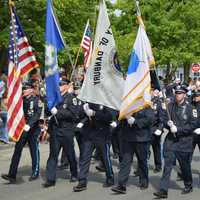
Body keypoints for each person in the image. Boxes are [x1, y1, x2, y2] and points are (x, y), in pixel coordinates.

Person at [153, 84, 196, 199]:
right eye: (176, 93)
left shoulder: (191, 109)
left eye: (180, 93)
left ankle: (188, 184)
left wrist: (179, 129)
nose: (178, 95)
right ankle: (163, 190)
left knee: (184, 166)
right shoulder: (170, 106)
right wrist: (168, 124)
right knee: (167, 166)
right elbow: (164, 118)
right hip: (171, 141)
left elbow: (194, 125)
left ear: (185, 95)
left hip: (184, 142)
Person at [1, 81, 42, 183]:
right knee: (17, 151)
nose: (23, 90)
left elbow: (37, 114)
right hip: (22, 130)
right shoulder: (20, 101)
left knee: (34, 151)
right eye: (23, 89)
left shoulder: (37, 100)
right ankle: (12, 174)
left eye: (25, 89)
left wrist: (30, 124)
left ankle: (35, 172)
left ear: (31, 90)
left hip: (33, 129)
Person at [43, 80, 79, 187]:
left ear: (66, 86)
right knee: (53, 155)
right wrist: (49, 109)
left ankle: (74, 174)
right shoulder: (53, 98)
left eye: (61, 85)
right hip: (55, 130)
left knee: (70, 154)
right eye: (58, 85)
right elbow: (47, 111)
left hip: (66, 130)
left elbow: (74, 114)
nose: (58, 86)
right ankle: (50, 179)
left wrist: (58, 112)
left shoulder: (71, 98)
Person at [111, 106, 155, 194]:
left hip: (141, 138)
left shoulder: (146, 106)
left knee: (142, 161)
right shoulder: (128, 104)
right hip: (128, 138)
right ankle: (121, 184)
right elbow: (119, 117)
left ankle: (144, 181)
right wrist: (119, 119)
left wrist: (136, 121)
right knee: (125, 161)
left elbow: (150, 119)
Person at [73, 103, 114, 192]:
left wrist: (95, 114)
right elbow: (78, 115)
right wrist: (83, 110)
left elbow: (109, 117)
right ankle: (82, 181)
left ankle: (110, 177)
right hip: (89, 135)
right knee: (85, 158)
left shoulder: (105, 101)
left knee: (105, 158)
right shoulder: (87, 100)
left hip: (102, 134)